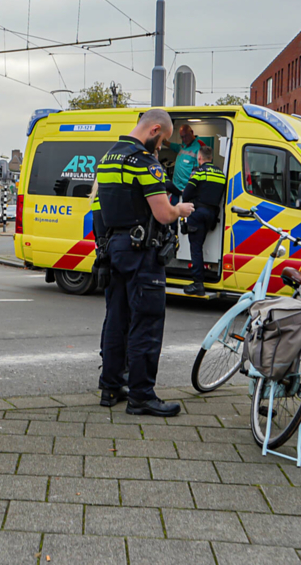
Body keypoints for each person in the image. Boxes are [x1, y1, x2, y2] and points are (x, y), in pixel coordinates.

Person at [95, 109, 195, 416]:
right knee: (146, 323)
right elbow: (163, 214)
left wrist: (104, 247)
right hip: (141, 252)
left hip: (114, 249)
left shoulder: (108, 159)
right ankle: (141, 395)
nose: (161, 147)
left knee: (116, 320)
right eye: (163, 140)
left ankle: (111, 386)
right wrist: (181, 209)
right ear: (154, 130)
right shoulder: (144, 162)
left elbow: (97, 209)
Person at [182, 145, 226, 296]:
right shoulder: (221, 174)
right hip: (212, 215)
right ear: (211, 158)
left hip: (198, 213)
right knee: (199, 246)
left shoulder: (199, 172)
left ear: (199, 158)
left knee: (196, 248)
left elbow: (186, 194)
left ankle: (198, 283)